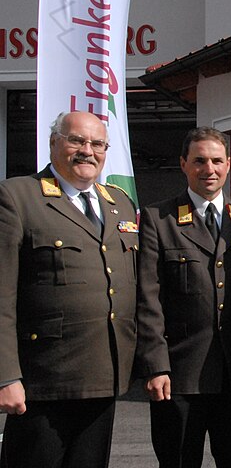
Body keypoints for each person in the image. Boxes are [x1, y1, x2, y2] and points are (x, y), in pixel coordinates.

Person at [0, 111, 138, 468]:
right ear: (53, 143)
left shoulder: (118, 203)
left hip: (103, 375)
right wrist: (6, 376)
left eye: (97, 144)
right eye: (76, 140)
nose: (87, 151)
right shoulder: (18, 196)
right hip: (44, 379)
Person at [135, 127, 231, 467]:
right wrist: (155, 365)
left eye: (216, 161)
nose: (208, 169)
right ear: (183, 164)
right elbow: (148, 298)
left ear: (228, 165)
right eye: (199, 161)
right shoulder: (158, 218)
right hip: (179, 375)